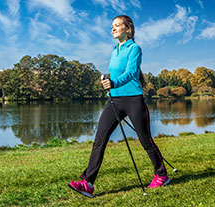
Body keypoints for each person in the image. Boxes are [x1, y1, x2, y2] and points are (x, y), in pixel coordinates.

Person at [68, 15, 170, 198]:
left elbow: (131, 73)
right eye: (112, 26)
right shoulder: (115, 50)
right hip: (114, 101)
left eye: (117, 25)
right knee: (100, 139)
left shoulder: (134, 48)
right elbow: (115, 74)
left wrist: (113, 82)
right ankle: (87, 183)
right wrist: (107, 81)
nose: (113, 29)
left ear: (128, 29)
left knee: (145, 140)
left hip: (133, 101)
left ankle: (162, 175)